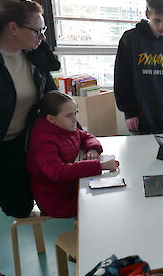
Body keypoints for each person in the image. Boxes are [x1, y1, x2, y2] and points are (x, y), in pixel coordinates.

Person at [0, 0, 60, 276]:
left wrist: (78, 134)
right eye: (37, 30)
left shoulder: (34, 56)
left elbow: (53, 99)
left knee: (20, 205)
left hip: (13, 143)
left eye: (44, 30)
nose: (42, 37)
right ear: (13, 28)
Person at [27, 91, 120, 219]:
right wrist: (100, 166)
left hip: (69, 188)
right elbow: (58, 172)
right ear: (51, 119)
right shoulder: (43, 140)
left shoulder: (63, 126)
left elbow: (85, 136)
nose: (75, 119)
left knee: (110, 196)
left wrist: (92, 149)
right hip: (57, 201)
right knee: (107, 203)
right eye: (69, 115)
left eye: (75, 113)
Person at [114, 0, 163, 134]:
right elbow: (122, 78)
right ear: (147, 15)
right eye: (157, 20)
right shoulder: (130, 40)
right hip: (139, 117)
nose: (162, 26)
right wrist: (129, 112)